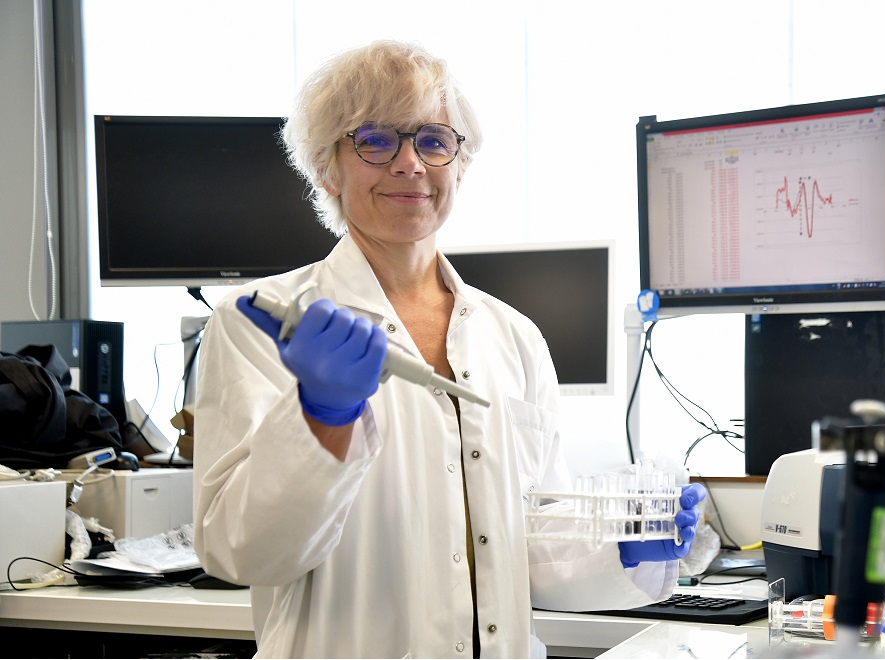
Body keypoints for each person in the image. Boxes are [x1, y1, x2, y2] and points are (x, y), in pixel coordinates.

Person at [192, 39, 705, 659]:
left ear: (459, 164)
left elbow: (524, 547)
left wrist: (620, 545)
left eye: (434, 140)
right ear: (327, 167)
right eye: (376, 140)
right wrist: (318, 417)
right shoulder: (265, 323)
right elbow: (240, 551)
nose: (411, 164)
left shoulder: (512, 335)